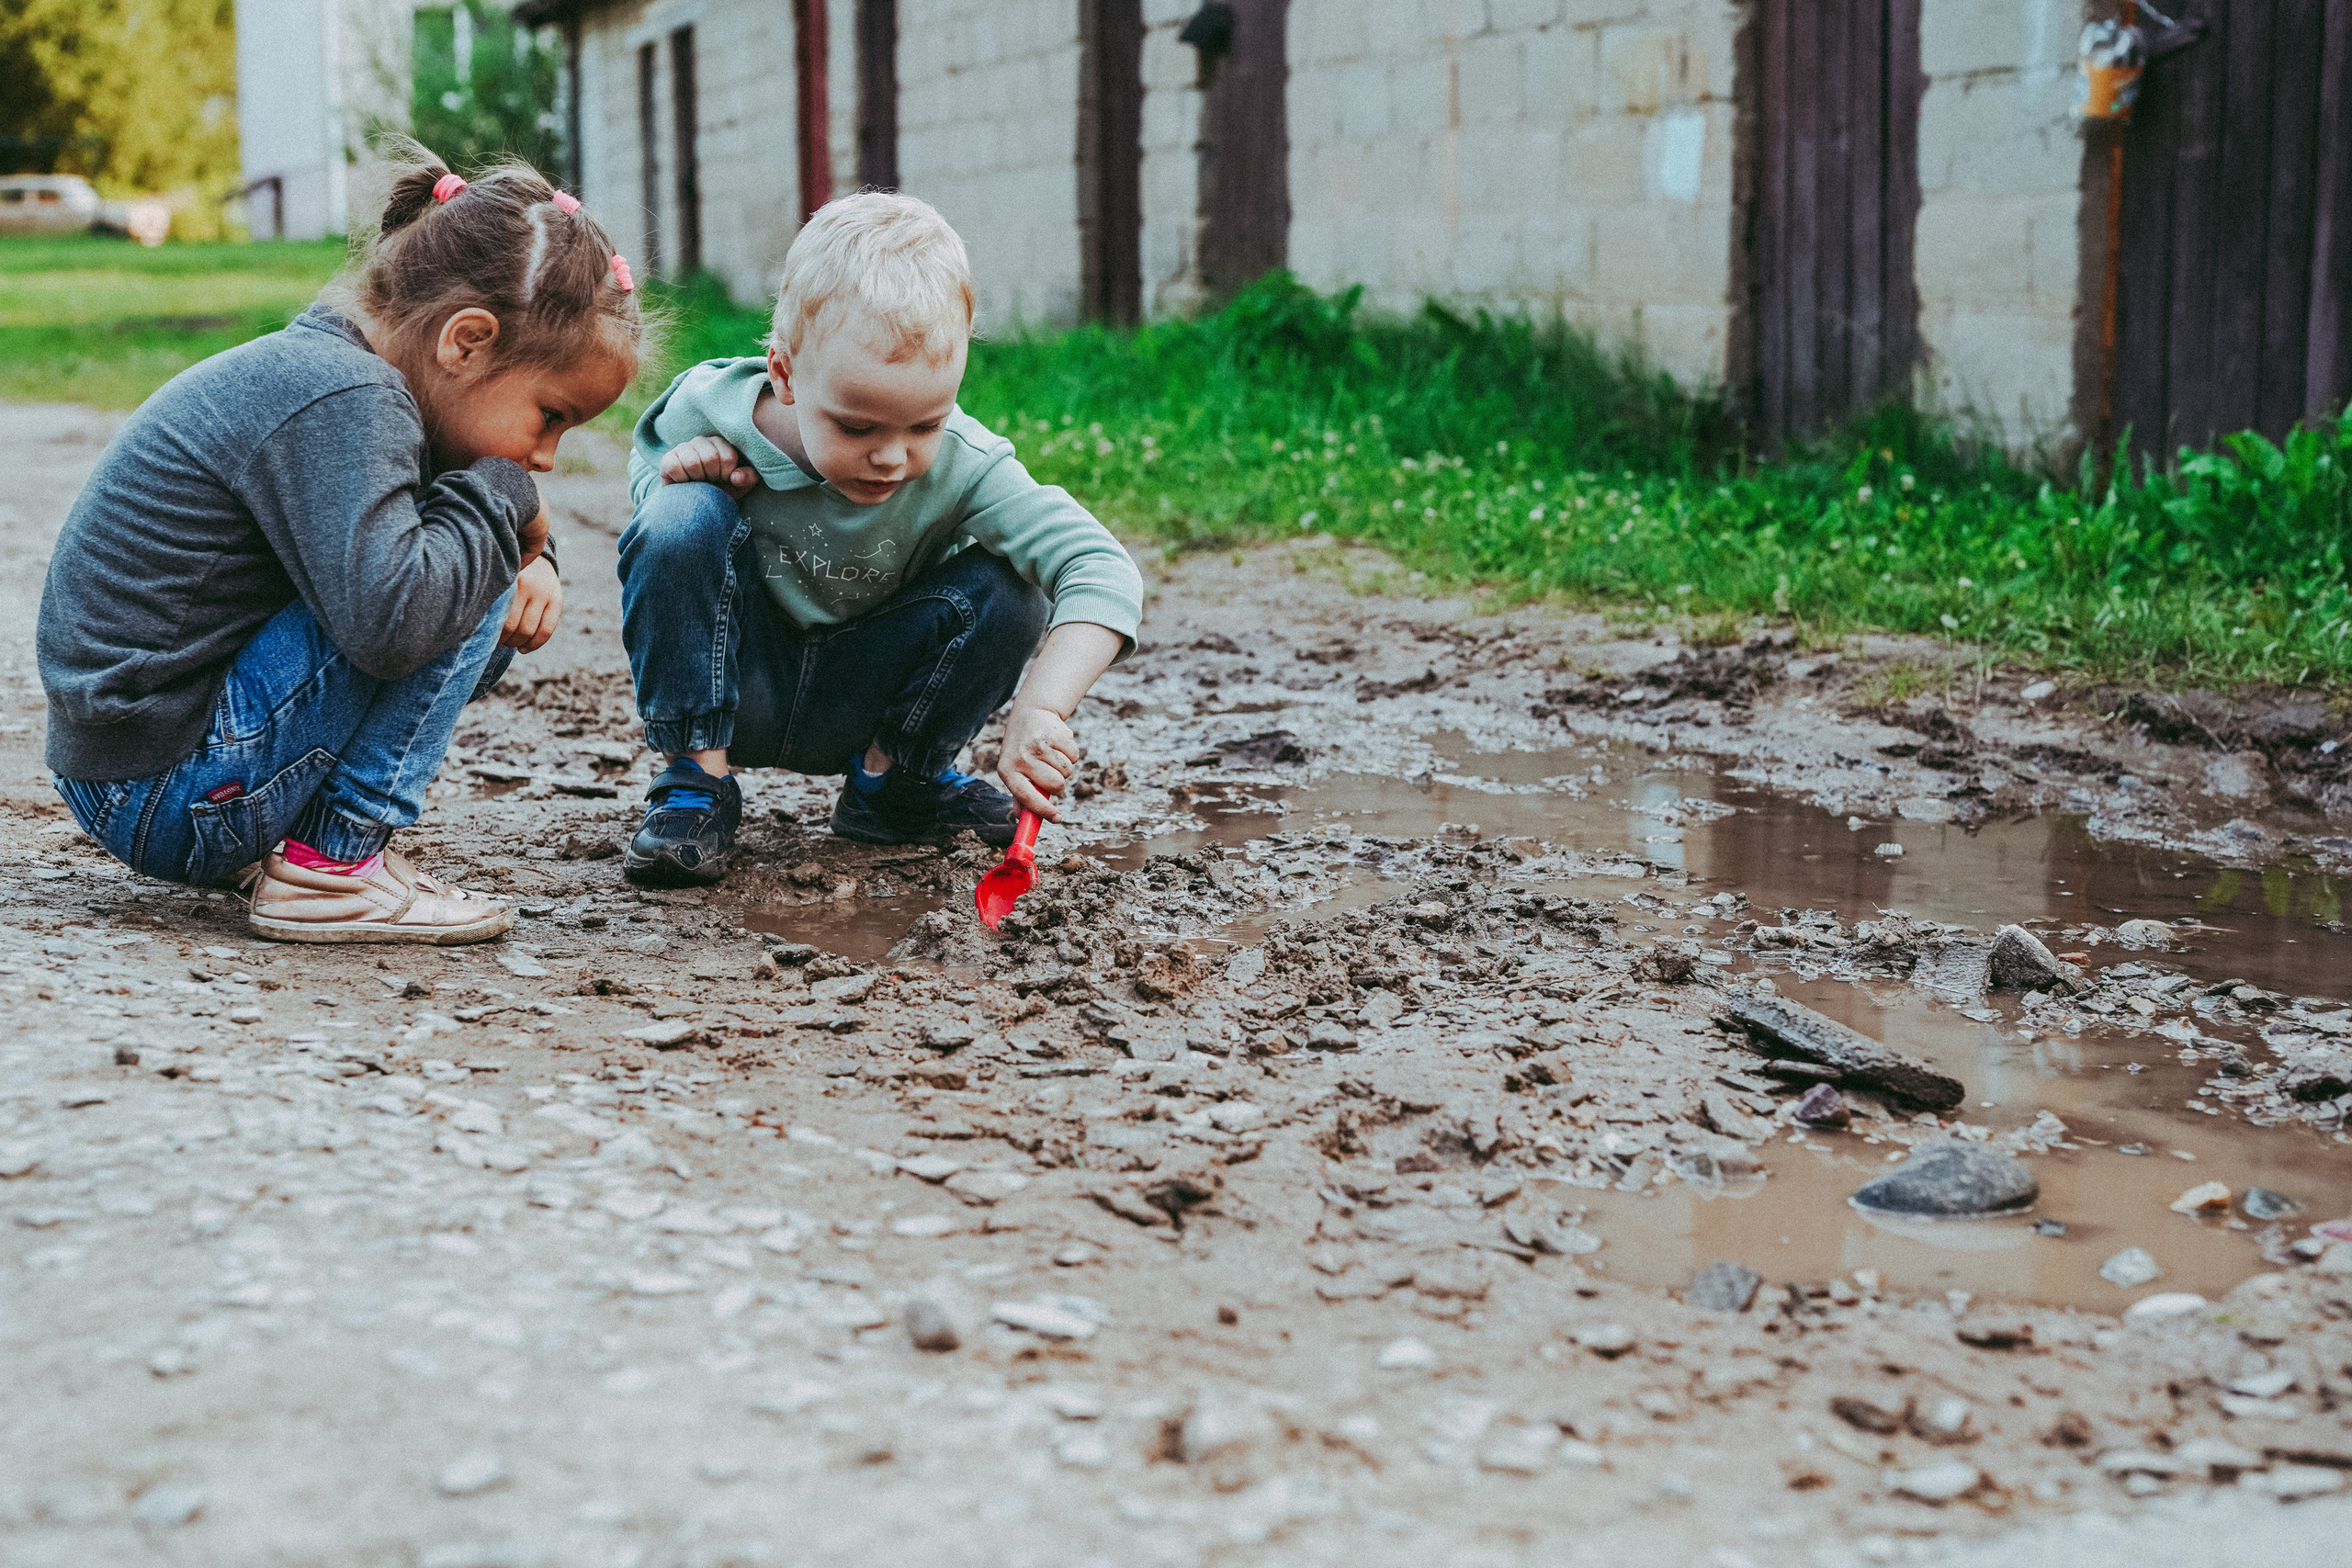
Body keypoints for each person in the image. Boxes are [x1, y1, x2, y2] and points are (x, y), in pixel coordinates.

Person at [37, 144, 642, 943]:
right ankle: (331, 866)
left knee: (463, 553)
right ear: (465, 341)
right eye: (550, 416)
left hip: (136, 769)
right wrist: (508, 505)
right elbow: (395, 623)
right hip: (164, 785)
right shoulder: (350, 398)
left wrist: (535, 546)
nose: (545, 457)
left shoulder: (346, 376)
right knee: (461, 570)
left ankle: (301, 852)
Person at [616, 191, 1142, 886]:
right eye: (858, 427)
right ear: (785, 373)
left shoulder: (966, 463)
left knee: (1013, 586)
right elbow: (651, 503)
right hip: (742, 680)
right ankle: (695, 783)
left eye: (924, 424)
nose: (892, 456)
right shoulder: (710, 410)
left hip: (865, 689)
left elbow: (1100, 566)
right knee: (680, 515)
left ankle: (893, 787)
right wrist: (677, 481)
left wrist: (1041, 707)